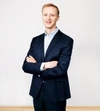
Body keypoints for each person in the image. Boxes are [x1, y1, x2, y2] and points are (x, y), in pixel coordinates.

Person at [22, 3, 74, 111]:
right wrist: (45, 65)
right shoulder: (35, 40)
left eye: (52, 15)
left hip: (56, 93)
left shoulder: (66, 41)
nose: (48, 18)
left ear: (57, 17)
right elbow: (26, 66)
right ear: (42, 16)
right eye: (45, 14)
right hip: (37, 92)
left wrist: (37, 68)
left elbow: (61, 69)